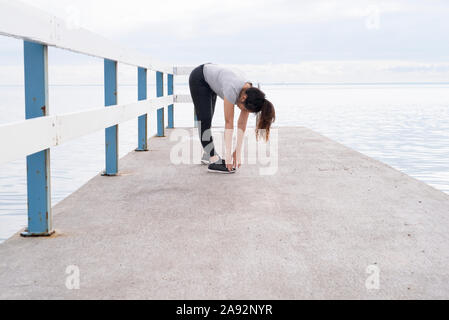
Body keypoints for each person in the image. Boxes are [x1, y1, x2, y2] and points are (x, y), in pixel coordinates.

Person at [189, 63, 275, 174]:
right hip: (200, 78)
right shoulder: (231, 88)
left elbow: (242, 124)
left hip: (213, 80)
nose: (243, 111)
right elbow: (229, 123)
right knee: (205, 120)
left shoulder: (251, 95)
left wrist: (237, 151)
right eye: (245, 109)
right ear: (243, 98)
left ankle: (208, 153)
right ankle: (213, 159)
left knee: (209, 117)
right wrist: (228, 156)